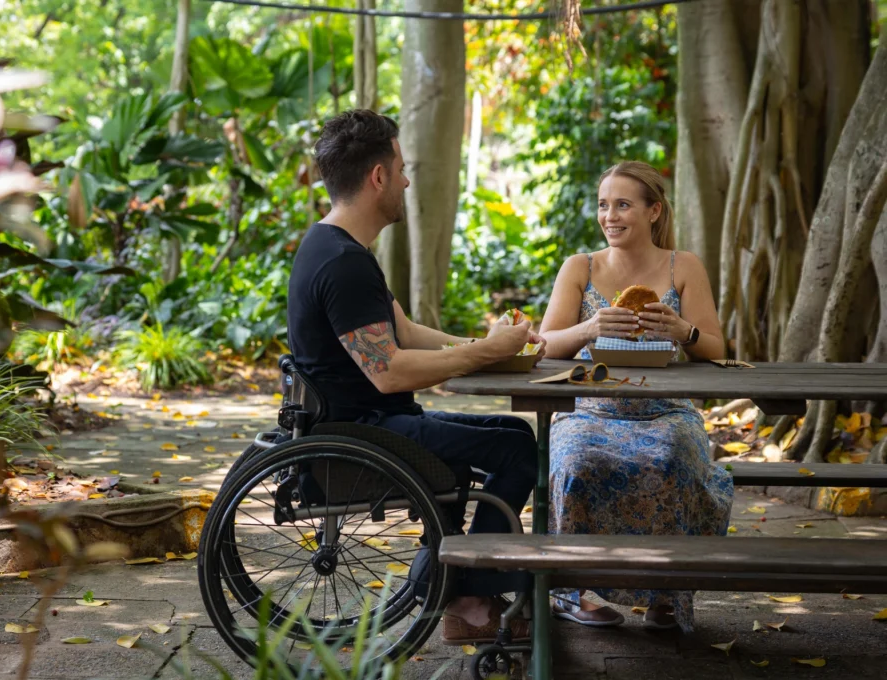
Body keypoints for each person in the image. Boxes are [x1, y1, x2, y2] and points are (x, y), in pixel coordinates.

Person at [287, 109, 541, 643]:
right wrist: (481, 354)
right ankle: (468, 597)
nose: (405, 180)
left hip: (369, 422)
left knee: (516, 434)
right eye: (400, 169)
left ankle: (458, 582)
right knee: (518, 452)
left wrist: (486, 345)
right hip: (365, 432)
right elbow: (388, 370)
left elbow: (402, 330)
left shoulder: (334, 246)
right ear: (377, 177)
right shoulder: (343, 264)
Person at [537, 160, 733, 632]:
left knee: (674, 460)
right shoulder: (579, 267)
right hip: (590, 411)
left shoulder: (681, 266)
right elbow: (543, 345)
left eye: (623, 205)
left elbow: (717, 349)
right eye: (604, 205)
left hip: (667, 411)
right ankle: (572, 591)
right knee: (574, 462)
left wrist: (683, 331)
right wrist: (589, 326)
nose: (610, 216)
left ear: (653, 211)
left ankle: (666, 594)